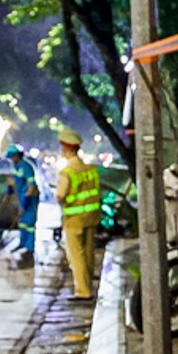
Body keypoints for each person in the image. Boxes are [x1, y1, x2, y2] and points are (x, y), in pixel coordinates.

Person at [56, 128, 101, 299]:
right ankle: (88, 284)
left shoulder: (67, 172)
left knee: (76, 256)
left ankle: (83, 290)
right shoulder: (90, 169)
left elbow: (61, 195)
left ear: (66, 150)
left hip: (74, 219)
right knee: (89, 253)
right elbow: (97, 191)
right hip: (92, 216)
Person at [5, 143, 40, 269]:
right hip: (21, 197)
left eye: (12, 157)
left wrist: (26, 201)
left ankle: (30, 249)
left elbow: (32, 185)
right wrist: (10, 188)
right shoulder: (16, 166)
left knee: (29, 224)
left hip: (29, 199)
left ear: (16, 156)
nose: (11, 160)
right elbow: (16, 180)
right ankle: (23, 243)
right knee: (22, 223)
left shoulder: (26, 166)